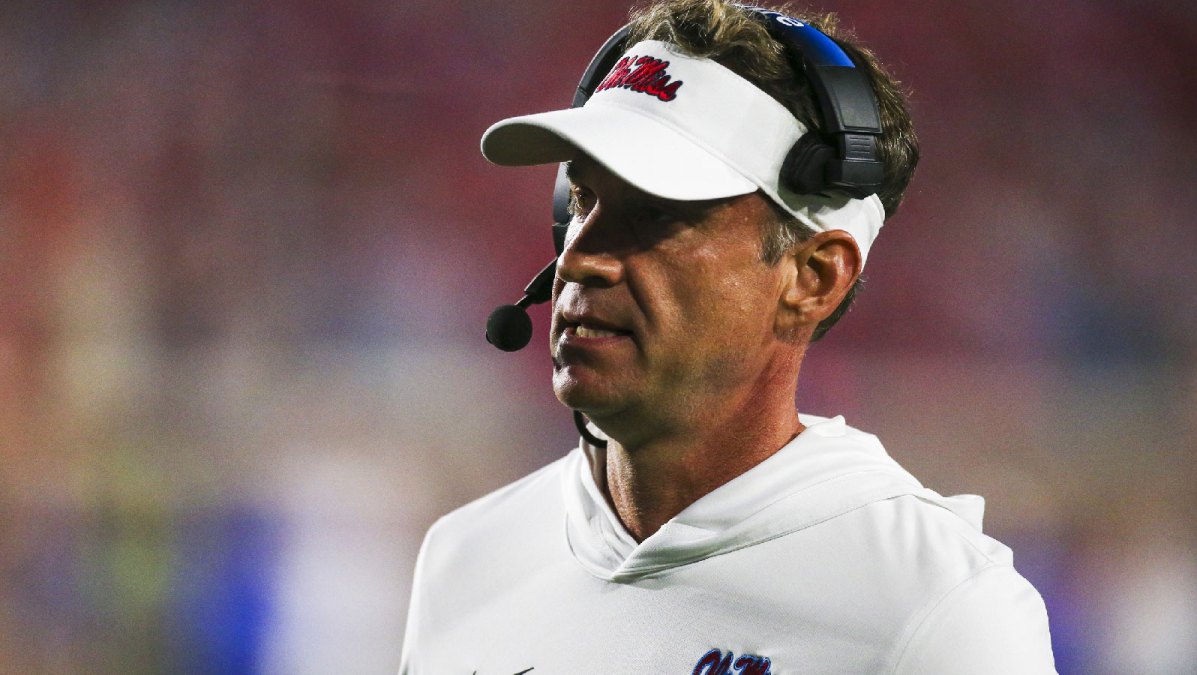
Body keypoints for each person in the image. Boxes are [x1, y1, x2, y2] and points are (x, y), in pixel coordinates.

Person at [400, 1, 1057, 672]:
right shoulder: (463, 557)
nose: (578, 256)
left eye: (656, 211)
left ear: (812, 277)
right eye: (584, 201)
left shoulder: (939, 609)